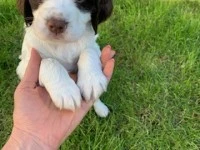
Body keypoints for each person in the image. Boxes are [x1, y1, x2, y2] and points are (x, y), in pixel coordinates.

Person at [3, 45, 115, 149]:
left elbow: (91, 47)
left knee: (90, 83)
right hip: (47, 92)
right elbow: (24, 68)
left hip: (76, 71)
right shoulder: (33, 39)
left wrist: (90, 61)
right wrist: (49, 69)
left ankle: (96, 102)